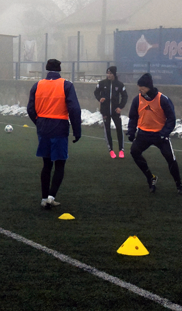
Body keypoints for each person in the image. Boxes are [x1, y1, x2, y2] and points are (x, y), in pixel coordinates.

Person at [27, 59, 82, 209]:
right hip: (59, 127)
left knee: (46, 164)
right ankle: (51, 196)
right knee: (60, 163)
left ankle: (44, 198)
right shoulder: (66, 85)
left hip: (43, 127)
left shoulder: (37, 85)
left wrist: (39, 123)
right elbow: (74, 110)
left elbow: (30, 109)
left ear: (46, 69)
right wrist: (77, 131)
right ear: (60, 69)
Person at [126, 73, 182, 194]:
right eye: (139, 88)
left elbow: (171, 119)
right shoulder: (137, 99)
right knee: (134, 152)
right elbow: (133, 117)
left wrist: (164, 133)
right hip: (143, 134)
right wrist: (131, 132)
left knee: (170, 159)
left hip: (159, 136)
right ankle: (150, 178)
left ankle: (179, 185)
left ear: (149, 87)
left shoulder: (162, 99)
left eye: (142, 88)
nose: (140, 91)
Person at [94, 66, 128, 158]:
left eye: (110, 73)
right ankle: (111, 150)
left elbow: (125, 96)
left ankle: (121, 150)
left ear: (114, 74)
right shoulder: (102, 83)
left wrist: (120, 107)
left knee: (119, 129)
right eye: (107, 73)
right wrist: (99, 98)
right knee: (107, 130)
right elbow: (96, 92)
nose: (108, 75)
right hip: (105, 111)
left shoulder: (119, 85)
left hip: (115, 111)